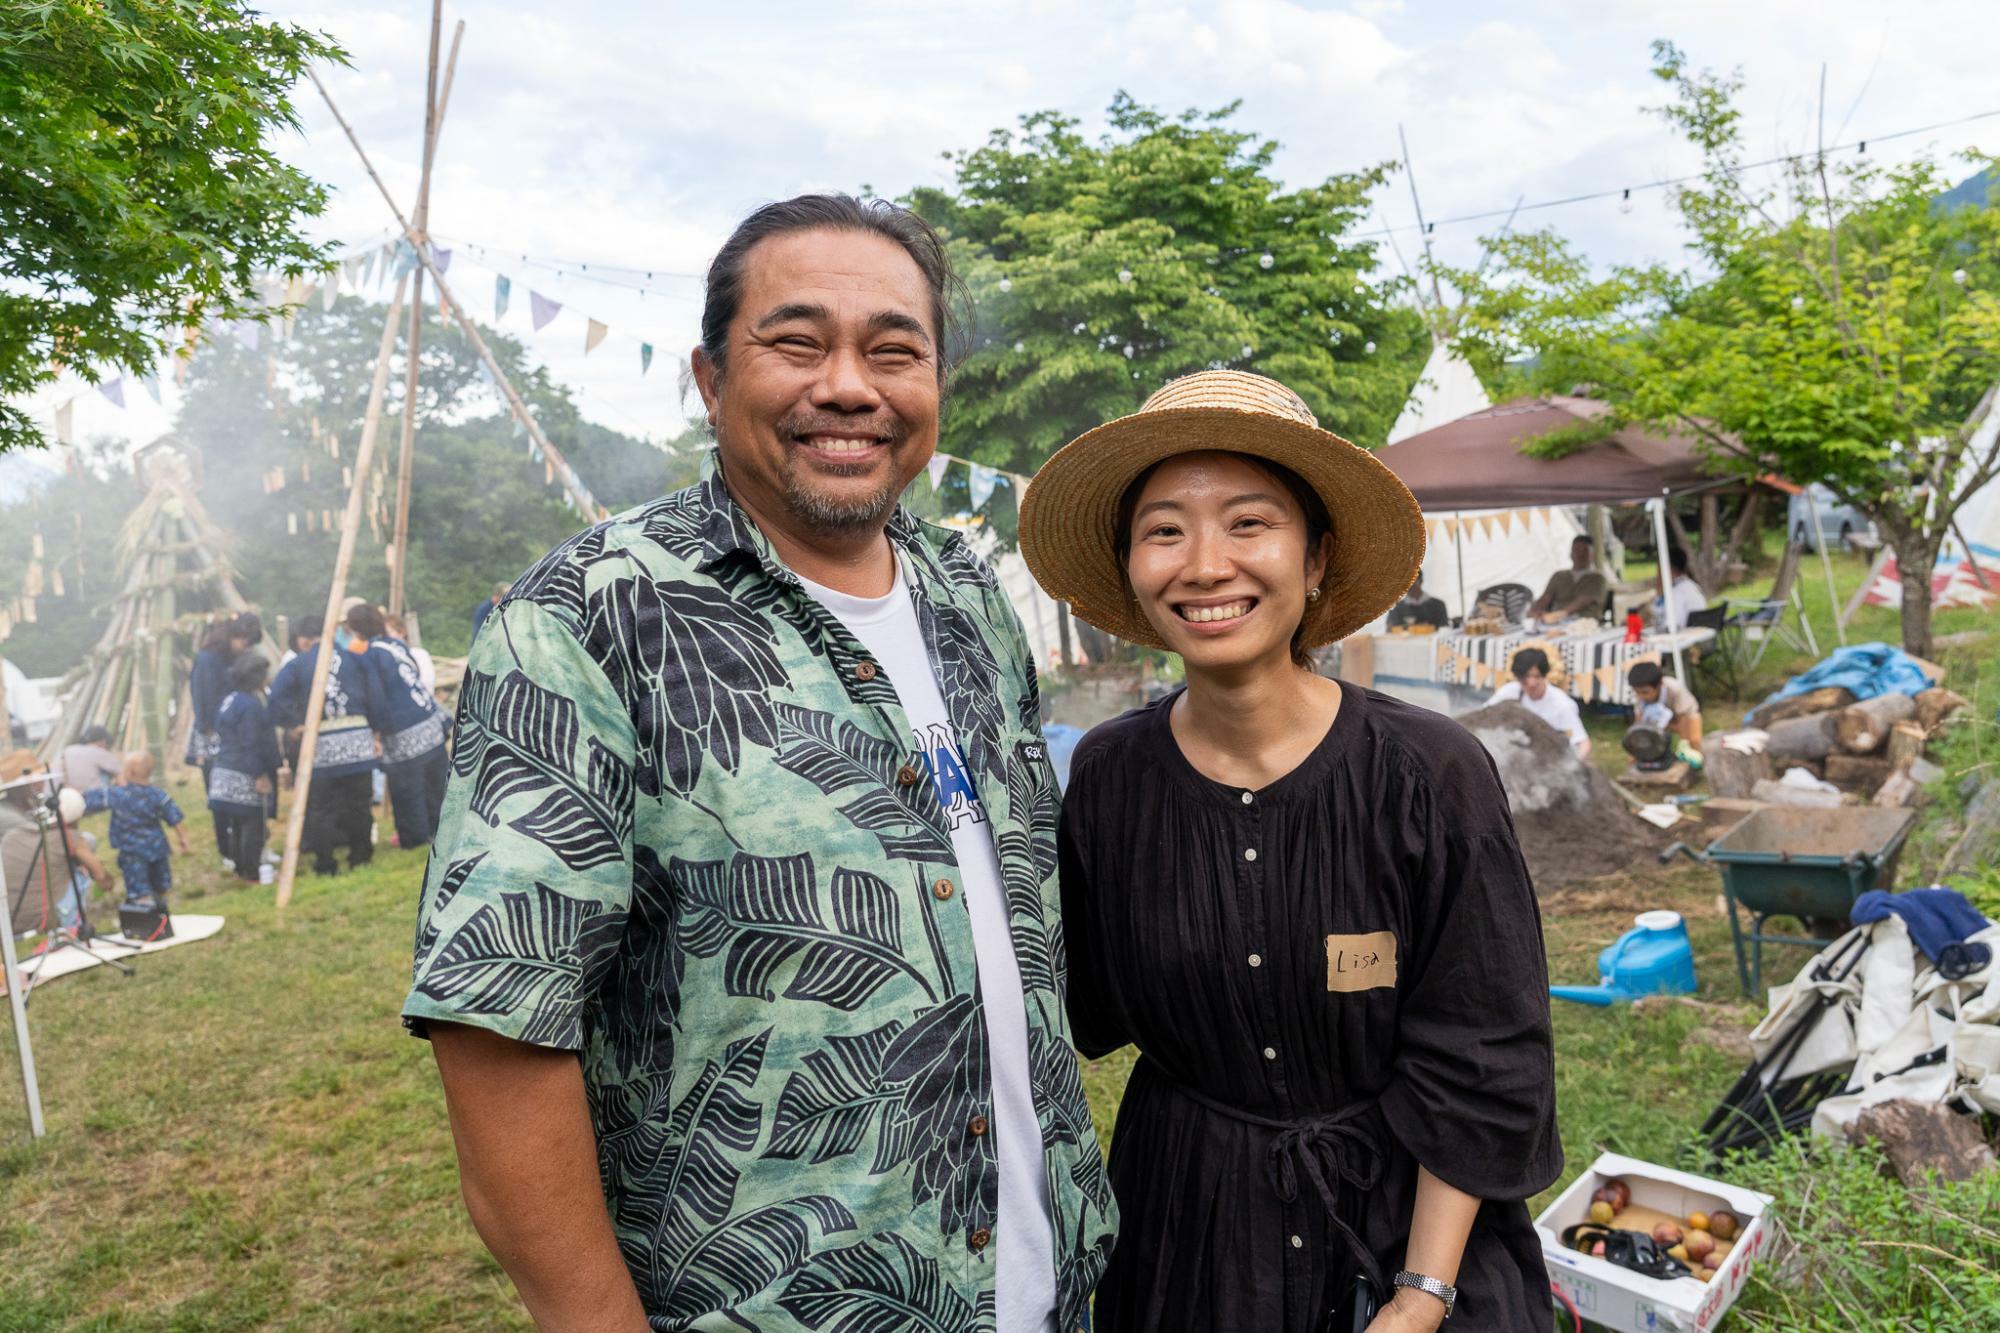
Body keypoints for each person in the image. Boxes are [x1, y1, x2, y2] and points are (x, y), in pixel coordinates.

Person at [402, 195, 1114, 1331]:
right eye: (796, 342)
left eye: (894, 351)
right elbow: (497, 1028)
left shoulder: (972, 601)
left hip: (1048, 1286)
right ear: (708, 375)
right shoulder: (586, 619)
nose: (848, 385)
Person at [1019, 370, 1560, 1332]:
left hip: (1406, 1223)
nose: (1205, 564)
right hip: (1192, 1224)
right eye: (1164, 529)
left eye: (1248, 522)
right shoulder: (1108, 777)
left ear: (1315, 559)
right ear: (1133, 570)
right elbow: (1081, 1006)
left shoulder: (1429, 773)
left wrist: (1420, 1295)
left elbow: (1485, 1055)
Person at [269, 613, 378, 876]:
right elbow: (375, 695)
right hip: (356, 740)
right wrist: (375, 730)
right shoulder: (354, 658)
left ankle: (326, 863)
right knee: (359, 804)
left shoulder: (298, 665)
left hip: (322, 743)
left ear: (305, 640)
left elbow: (275, 701)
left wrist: (295, 723)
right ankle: (360, 856)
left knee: (320, 808)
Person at [349, 603, 449, 851]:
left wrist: (377, 729)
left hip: (403, 727)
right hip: (428, 718)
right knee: (436, 783)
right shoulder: (396, 645)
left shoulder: (371, 657)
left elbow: (376, 697)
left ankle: (415, 837)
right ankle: (444, 830)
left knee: (408, 789)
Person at [2, 749, 112, 935]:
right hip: (20, 876)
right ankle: (70, 918)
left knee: (82, 844)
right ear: (19, 786)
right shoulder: (6, 815)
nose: (42, 782)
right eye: (36, 779)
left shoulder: (29, 803)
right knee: (79, 853)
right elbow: (47, 840)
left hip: (30, 870)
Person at [83, 751, 187, 910]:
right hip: (157, 849)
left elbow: (90, 799)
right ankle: (161, 908)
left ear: (129, 772)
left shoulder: (118, 794)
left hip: (132, 852)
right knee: (160, 883)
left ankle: (146, 914)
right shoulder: (157, 795)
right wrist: (183, 838)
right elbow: (174, 817)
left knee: (139, 888)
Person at [209, 655, 280, 882]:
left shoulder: (229, 700)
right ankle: (252, 872)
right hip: (244, 771)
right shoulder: (250, 705)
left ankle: (241, 869)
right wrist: (259, 774)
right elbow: (251, 742)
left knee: (237, 825)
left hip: (223, 769)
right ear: (257, 678)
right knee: (253, 825)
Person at [1489, 647, 1591, 759]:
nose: (1532, 683)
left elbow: (1583, 744)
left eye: (1537, 676)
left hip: (1554, 757)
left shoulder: (1561, 704)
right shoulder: (1509, 692)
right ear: (1518, 677)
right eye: (1526, 677)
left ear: (1544, 675)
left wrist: (1571, 768)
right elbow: (1484, 714)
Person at [1526, 536, 1609, 621]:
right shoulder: (1559, 576)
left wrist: (1558, 614)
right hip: (1556, 623)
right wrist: (1534, 610)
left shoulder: (1598, 579)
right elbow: (1546, 597)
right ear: (1571, 554)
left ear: (1592, 555)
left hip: (1585, 624)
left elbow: (1582, 601)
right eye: (1577, 550)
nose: (1580, 555)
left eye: (1585, 551)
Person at [1627, 660, 1704, 752]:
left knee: (1693, 741)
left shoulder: (1675, 689)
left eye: (1645, 692)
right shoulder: (1639, 695)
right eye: (1637, 692)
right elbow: (1638, 722)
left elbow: (1682, 721)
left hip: (1686, 714)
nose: (1641, 696)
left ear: (1659, 685)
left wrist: (1684, 743)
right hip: (1657, 719)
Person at [1650, 547, 1707, 632]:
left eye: (1658, 570)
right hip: (1697, 638)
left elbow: (1670, 628)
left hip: (1684, 640)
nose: (1657, 575)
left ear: (1667, 569)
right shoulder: (1690, 586)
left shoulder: (1677, 593)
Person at [57, 724, 121, 794]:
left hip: (68, 795)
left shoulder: (67, 750)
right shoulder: (100, 752)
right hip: (92, 798)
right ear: (103, 741)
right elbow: (121, 778)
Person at [383, 613, 436, 694]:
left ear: (401, 632)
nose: (385, 638)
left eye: (388, 633)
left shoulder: (419, 654)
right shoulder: (385, 659)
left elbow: (427, 684)